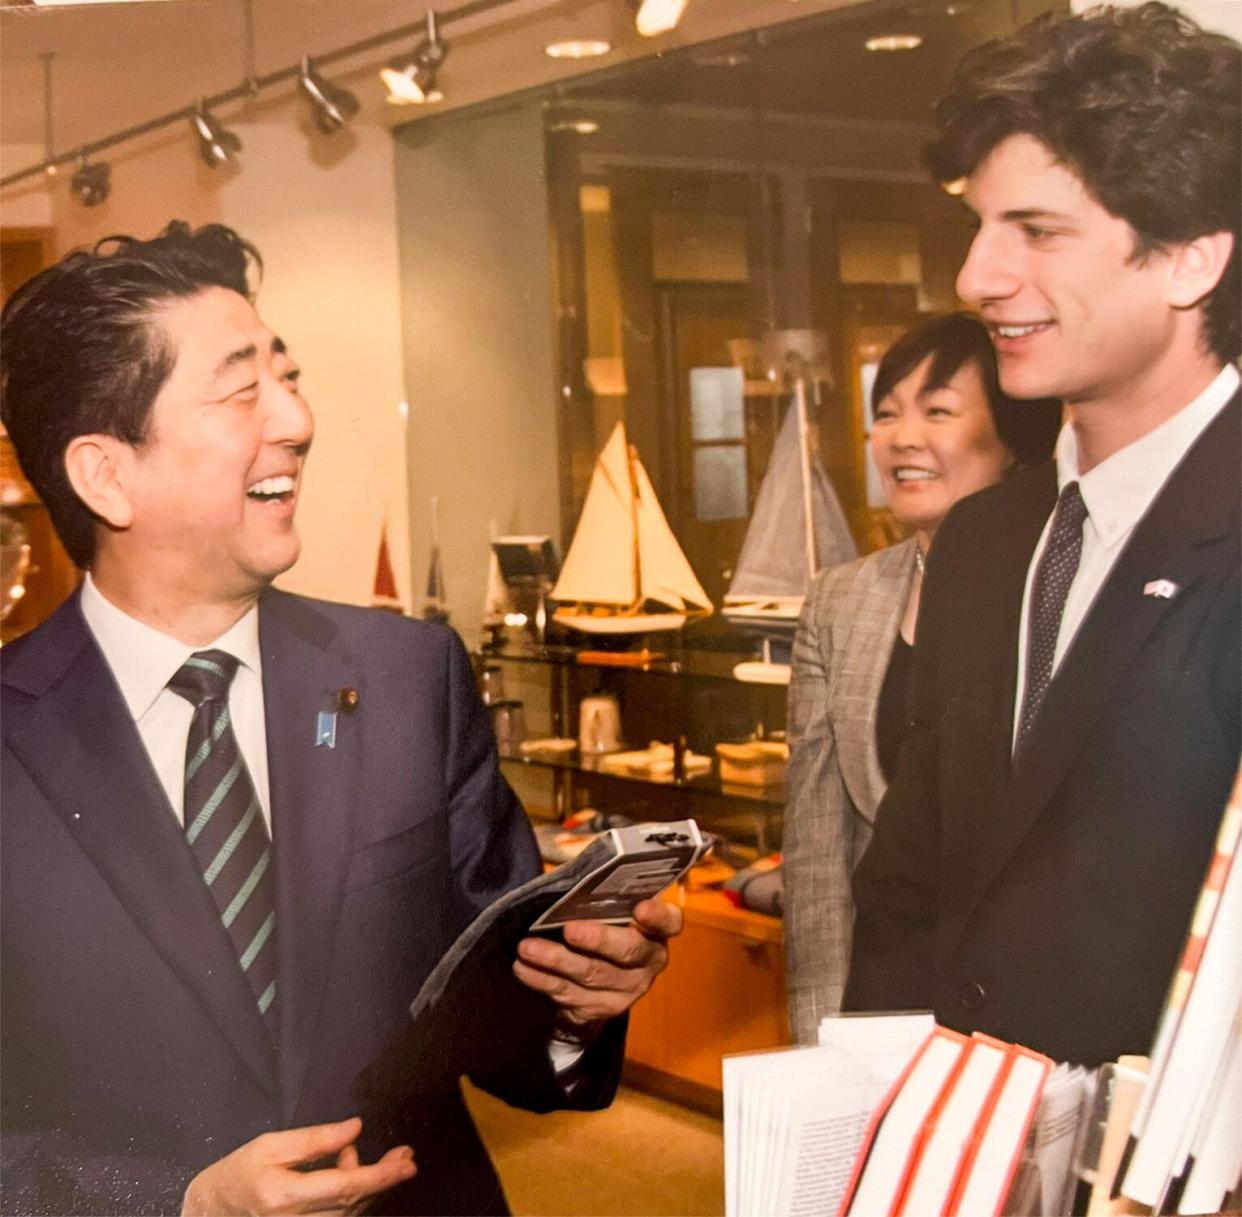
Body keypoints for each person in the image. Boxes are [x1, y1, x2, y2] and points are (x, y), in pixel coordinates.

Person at [0, 222, 681, 1217]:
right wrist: (178, 1201)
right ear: (107, 474)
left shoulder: (412, 676)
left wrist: (578, 1001)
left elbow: (495, 1030)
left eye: (290, 375)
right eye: (243, 390)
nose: (299, 417)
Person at [843, 2, 1240, 1068]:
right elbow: (913, 887)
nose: (977, 278)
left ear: (1190, 260)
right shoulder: (982, 538)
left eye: (1039, 231)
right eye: (978, 227)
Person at [783, 313, 1058, 1044]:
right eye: (885, 413)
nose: (902, 437)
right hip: (882, 999)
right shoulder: (839, 600)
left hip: (1020, 1014)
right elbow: (817, 860)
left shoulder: (1058, 591)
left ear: (1010, 438)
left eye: (937, 410)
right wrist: (822, 1045)